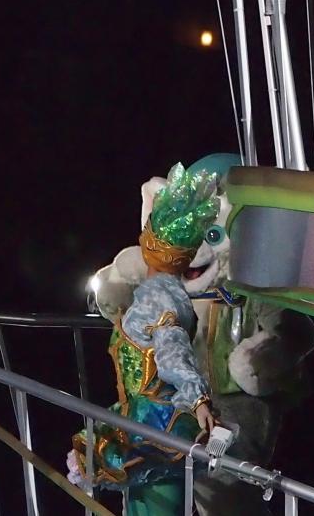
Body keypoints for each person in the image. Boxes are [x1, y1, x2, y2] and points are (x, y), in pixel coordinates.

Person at [69, 163, 221, 515]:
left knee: (157, 503)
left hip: (157, 422)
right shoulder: (155, 292)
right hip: (140, 418)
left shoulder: (161, 298)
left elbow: (171, 353)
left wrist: (198, 399)